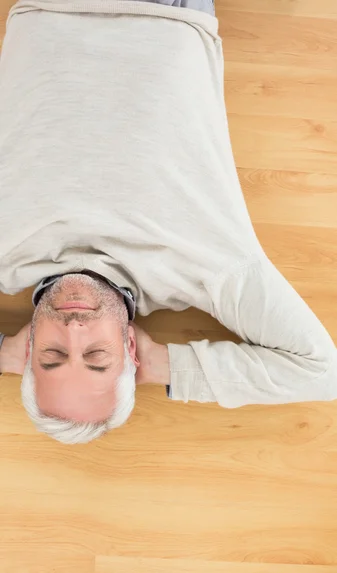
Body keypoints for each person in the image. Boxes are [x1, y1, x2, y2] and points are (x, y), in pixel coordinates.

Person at [1, 0, 336, 445]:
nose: (74, 330)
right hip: (166, 11)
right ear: (130, 351)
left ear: (28, 349)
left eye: (52, 355)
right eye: (97, 357)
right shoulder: (208, 270)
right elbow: (321, 372)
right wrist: (166, 365)